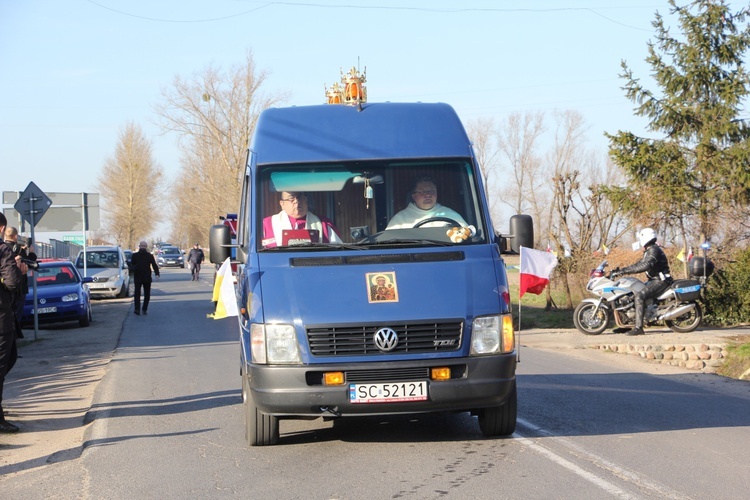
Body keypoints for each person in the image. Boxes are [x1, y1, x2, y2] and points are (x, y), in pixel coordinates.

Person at [612, 228, 673, 336]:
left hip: (660, 281)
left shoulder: (654, 250)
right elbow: (638, 264)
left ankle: (638, 328)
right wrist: (622, 271)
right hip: (654, 280)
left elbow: (646, 265)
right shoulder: (650, 250)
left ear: (645, 237)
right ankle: (627, 325)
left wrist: (624, 271)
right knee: (631, 295)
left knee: (639, 296)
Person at [0, 213, 26, 433]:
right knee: (5, 362)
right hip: (1, 318)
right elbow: (11, 282)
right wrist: (17, 271)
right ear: (2, 228)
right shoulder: (3, 250)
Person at [262, 191, 342, 247]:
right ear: (282, 204)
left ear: (306, 200)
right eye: (291, 199)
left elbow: (338, 250)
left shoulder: (323, 224)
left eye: (300, 197)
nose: (296, 201)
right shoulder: (267, 224)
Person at [386, 176, 468, 229]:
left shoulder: (450, 214)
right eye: (423, 192)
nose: (428, 195)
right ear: (414, 196)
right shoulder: (400, 219)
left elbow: (467, 234)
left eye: (431, 191)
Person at [4, 227, 35, 340]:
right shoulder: (18, 250)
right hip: (19, 286)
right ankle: (13, 342)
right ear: (16, 236)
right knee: (17, 315)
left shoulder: (3, 248)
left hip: (5, 288)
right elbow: (32, 263)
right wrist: (31, 252)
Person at [129, 240, 160, 316]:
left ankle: (144, 308)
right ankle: (137, 309)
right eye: (141, 246)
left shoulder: (149, 255)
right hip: (138, 276)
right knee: (137, 293)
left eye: (144, 246)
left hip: (147, 277)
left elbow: (154, 265)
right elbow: (131, 265)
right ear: (139, 246)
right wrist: (133, 268)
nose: (142, 247)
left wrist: (157, 274)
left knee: (147, 294)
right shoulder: (135, 255)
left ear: (146, 247)